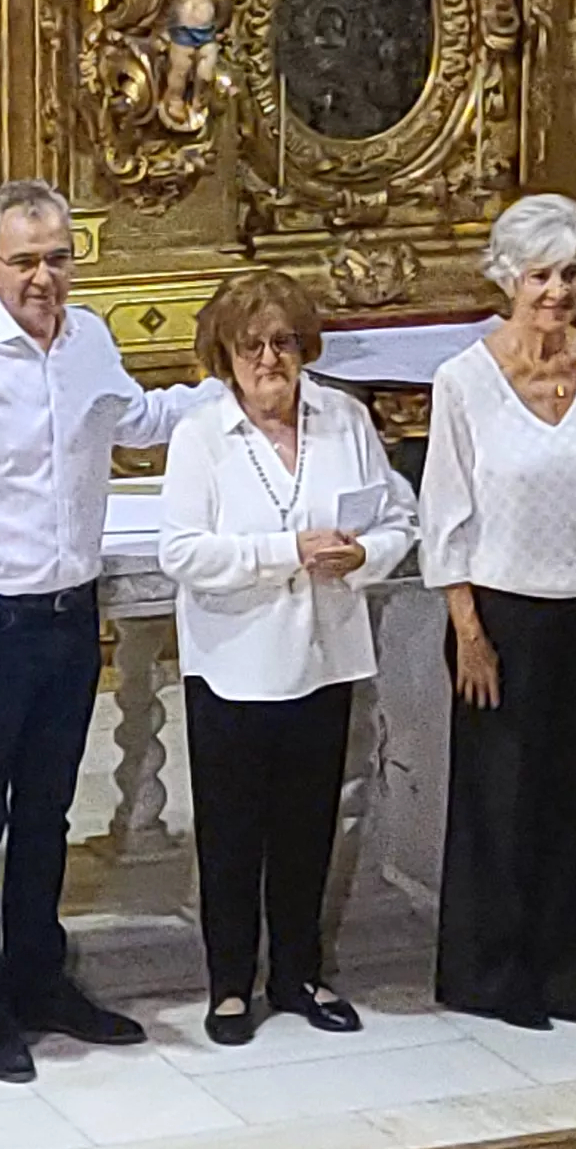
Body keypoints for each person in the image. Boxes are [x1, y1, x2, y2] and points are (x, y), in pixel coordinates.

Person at [0, 179, 212, 1080]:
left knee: (47, 810)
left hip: (71, 614)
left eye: (59, 258)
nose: (45, 277)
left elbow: (135, 420)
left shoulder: (91, 339)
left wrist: (227, 388)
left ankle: (39, 976)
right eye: (26, 260)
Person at [157, 270, 415, 1047]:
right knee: (234, 834)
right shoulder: (202, 434)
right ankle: (230, 984)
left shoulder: (343, 418)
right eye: (252, 345)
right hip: (235, 662)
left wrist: (365, 554)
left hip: (326, 656)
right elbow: (182, 551)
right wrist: (284, 552)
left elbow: (398, 514)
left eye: (285, 342)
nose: (271, 359)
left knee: (310, 827)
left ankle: (300, 972)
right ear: (225, 355)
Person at [420, 196, 576, 1032]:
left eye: (569, 275)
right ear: (507, 278)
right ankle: (497, 971)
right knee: (500, 796)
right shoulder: (464, 381)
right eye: (539, 275)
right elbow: (443, 515)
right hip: (501, 619)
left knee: (575, 788)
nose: (555, 292)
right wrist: (468, 632)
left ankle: (570, 967)